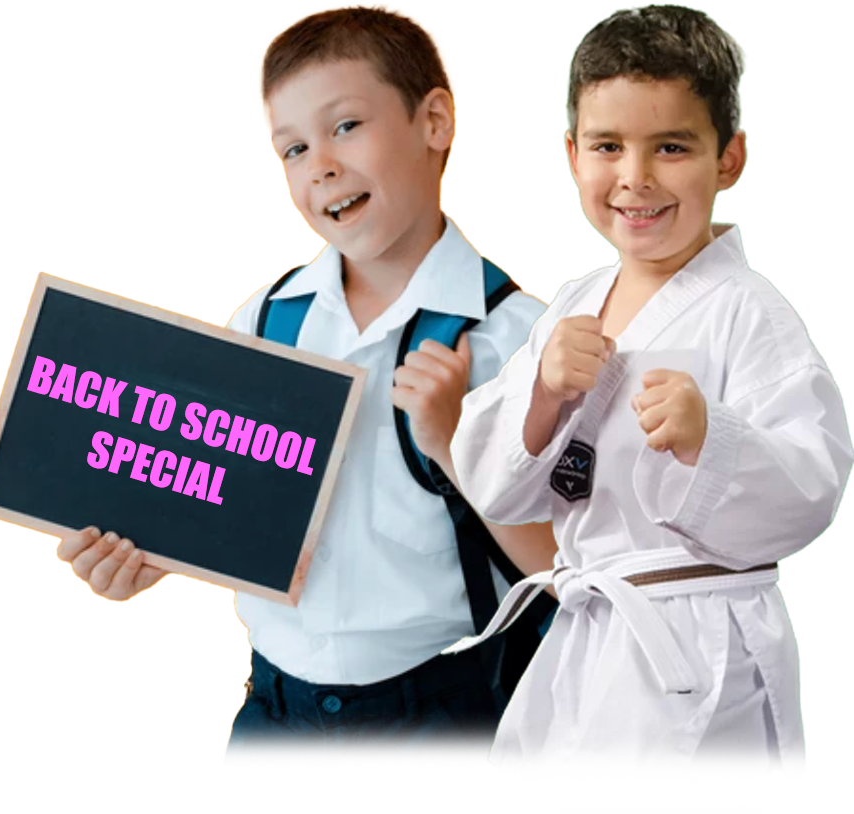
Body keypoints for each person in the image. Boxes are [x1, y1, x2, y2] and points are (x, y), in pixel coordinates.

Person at [56, 5, 557, 766]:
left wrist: (459, 445)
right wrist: (151, 549)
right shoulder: (261, 320)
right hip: (275, 716)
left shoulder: (521, 337)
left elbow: (569, 571)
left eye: (346, 126)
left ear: (435, 121)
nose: (318, 163)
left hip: (451, 717)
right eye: (292, 147)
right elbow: (225, 504)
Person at [446, 2, 853, 799]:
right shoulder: (576, 304)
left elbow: (816, 482)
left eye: (671, 147)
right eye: (608, 147)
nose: (634, 177)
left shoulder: (748, 311)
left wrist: (715, 437)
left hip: (698, 646)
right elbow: (491, 484)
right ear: (572, 155)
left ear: (729, 157)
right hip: (597, 636)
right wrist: (540, 396)